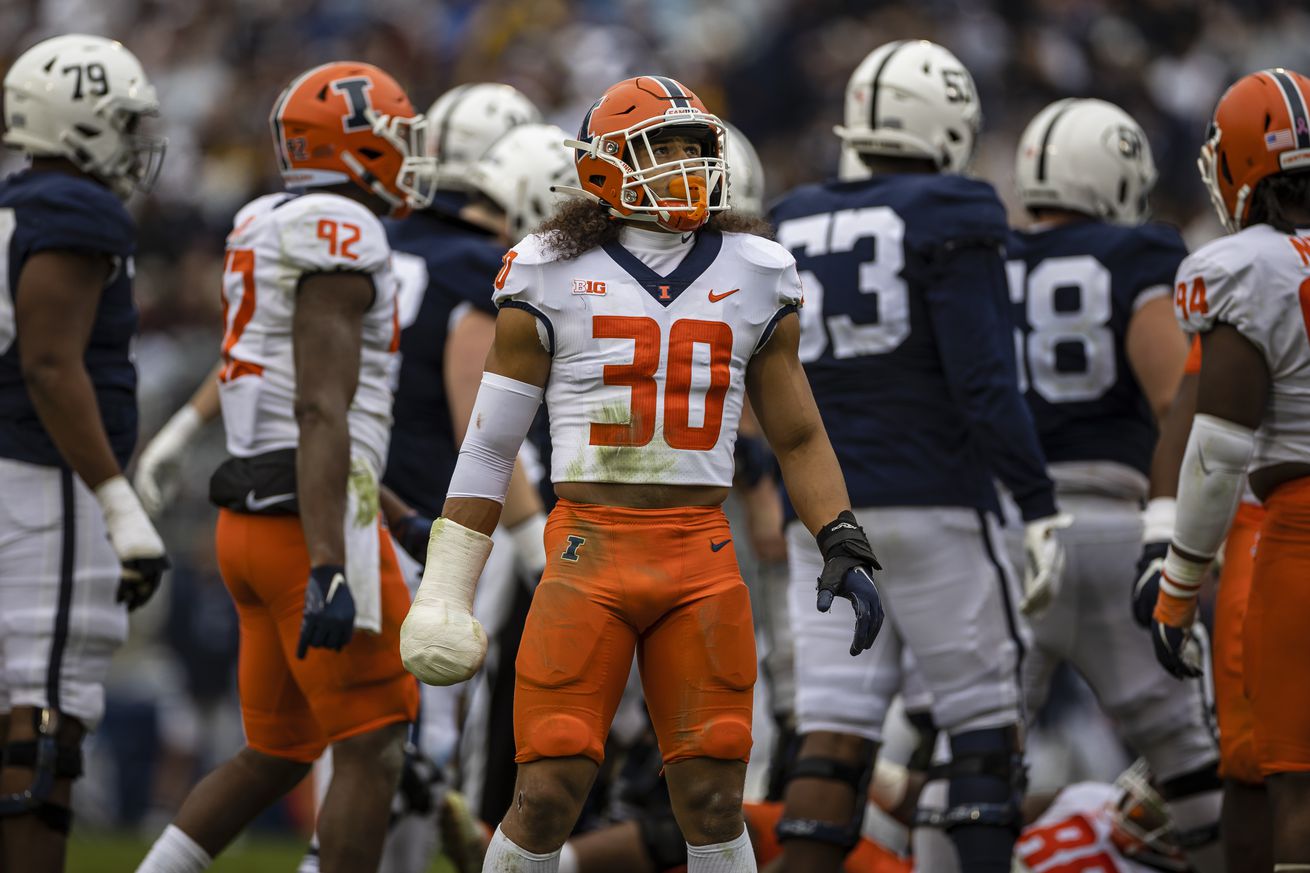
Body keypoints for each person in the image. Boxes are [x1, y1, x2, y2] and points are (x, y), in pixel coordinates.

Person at [401, 74, 885, 873]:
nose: (689, 165)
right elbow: (489, 446)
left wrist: (840, 532)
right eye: (666, 149)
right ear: (604, 166)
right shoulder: (546, 269)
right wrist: (447, 588)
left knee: (714, 796)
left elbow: (798, 433)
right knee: (548, 788)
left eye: (697, 148)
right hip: (589, 548)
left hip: (701, 552)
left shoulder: (758, 269)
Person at [767, 40, 1063, 873]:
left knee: (832, 735)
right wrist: (1036, 503)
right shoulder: (953, 208)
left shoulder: (789, 216)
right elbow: (983, 380)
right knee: (981, 725)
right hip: (936, 499)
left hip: (824, 513)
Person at [134, 60, 435, 873]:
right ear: (355, 145)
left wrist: (397, 510)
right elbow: (319, 408)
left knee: (277, 750)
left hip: (253, 519)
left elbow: (294, 410)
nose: (409, 157)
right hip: (310, 524)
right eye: (396, 140)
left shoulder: (266, 216)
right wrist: (335, 559)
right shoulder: (342, 227)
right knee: (373, 743)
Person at [1007, 98, 1226, 871]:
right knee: (1196, 763)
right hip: (1113, 525)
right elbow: (1175, 399)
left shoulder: (981, 257)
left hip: (1009, 532)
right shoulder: (1138, 253)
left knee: (968, 762)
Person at [0, 33, 168, 872]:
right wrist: (116, 497)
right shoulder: (77, 211)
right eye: (123, 123)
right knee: (46, 716)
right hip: (46, 483)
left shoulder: (15, 201)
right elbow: (49, 361)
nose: (136, 143)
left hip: (17, 473)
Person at [1148, 67, 1310, 870]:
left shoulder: (1244, 268)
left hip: (1296, 530)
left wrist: (1178, 588)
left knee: (1292, 784)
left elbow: (1218, 450)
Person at [1134, 338, 1270, 873]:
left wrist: (1172, 567)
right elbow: (1195, 418)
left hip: (1271, 530)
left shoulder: (1250, 269)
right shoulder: (1255, 270)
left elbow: (1205, 432)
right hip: (1267, 526)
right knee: (1256, 767)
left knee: (1262, 773)